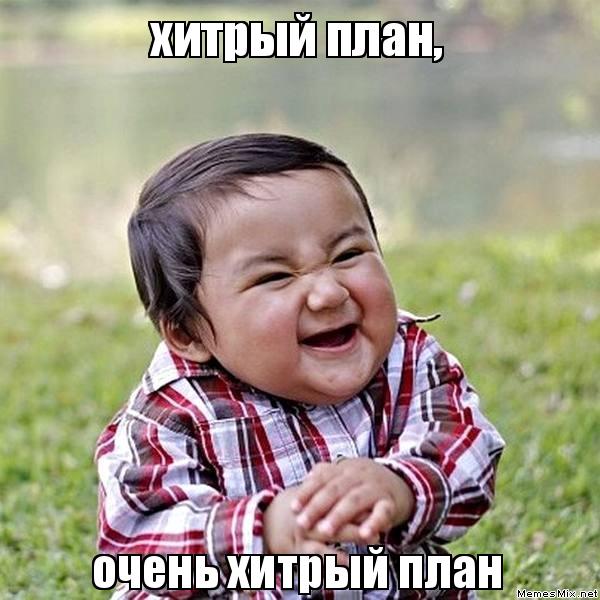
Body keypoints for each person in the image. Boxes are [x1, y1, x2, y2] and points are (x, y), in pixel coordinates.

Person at [96, 133, 505, 599]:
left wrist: (401, 486)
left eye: (348, 254)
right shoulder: (170, 416)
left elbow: (468, 450)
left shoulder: (407, 356)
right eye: (274, 276)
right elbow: (136, 543)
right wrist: (263, 529)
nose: (328, 293)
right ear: (189, 334)